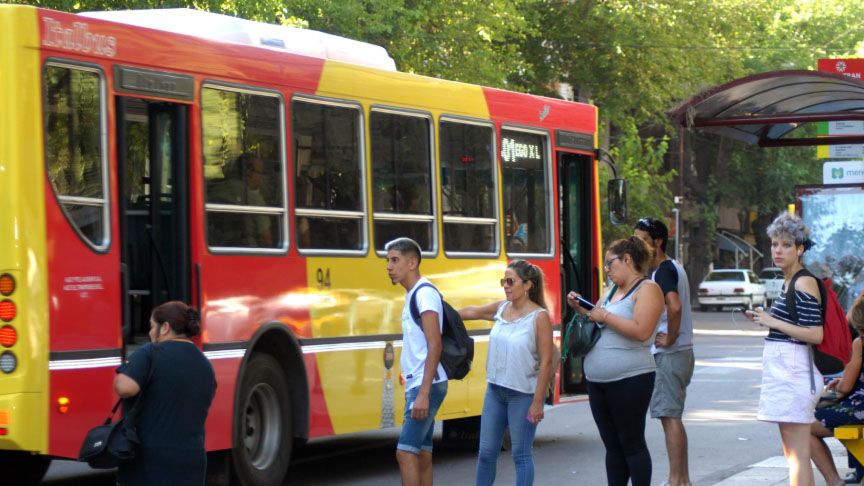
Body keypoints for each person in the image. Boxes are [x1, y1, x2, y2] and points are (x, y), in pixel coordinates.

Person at [567, 237, 664, 486]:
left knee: (631, 443)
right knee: (612, 446)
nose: (607, 270)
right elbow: (597, 318)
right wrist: (582, 309)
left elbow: (642, 331)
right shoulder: (611, 291)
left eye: (610, 263)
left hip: (630, 379)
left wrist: (606, 316)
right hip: (598, 380)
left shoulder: (647, 289)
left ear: (627, 259)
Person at [457, 260, 555, 486]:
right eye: (503, 281)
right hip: (495, 391)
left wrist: (538, 402)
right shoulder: (502, 308)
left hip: (523, 395)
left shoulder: (539, 317)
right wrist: (440, 312)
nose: (506, 286)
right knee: (486, 452)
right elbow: (473, 311)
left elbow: (547, 361)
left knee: (520, 455)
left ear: (527, 285)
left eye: (510, 281)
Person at [744, 212, 824, 486]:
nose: (778, 250)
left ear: (800, 249)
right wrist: (766, 320)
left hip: (795, 374)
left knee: (798, 454)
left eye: (786, 245)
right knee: (792, 453)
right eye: (775, 244)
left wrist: (771, 320)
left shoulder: (803, 281)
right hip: (785, 373)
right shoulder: (789, 281)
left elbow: (815, 333)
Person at [114, 301, 217, 486]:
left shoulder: (151, 352)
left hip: (150, 462)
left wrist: (124, 371)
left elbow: (125, 387)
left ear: (165, 327)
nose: (150, 333)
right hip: (192, 461)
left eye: (152, 326)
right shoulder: (205, 364)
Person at [634, 218, 695, 486]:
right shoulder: (671, 267)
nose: (637, 245)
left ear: (658, 242)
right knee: (672, 417)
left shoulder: (663, 271)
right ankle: (682, 480)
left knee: (670, 418)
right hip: (680, 353)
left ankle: (676, 481)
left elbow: (675, 306)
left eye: (643, 240)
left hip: (671, 354)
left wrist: (669, 337)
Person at [385, 237, 449, 486]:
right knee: (422, 454)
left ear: (412, 263)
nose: (389, 266)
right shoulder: (415, 294)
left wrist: (423, 393)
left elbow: (435, 344)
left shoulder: (424, 294)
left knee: (405, 452)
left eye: (395, 260)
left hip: (427, 385)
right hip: (423, 384)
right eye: (388, 261)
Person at [810, 292, 864, 486]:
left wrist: (839, 383)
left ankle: (833, 480)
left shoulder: (860, 343)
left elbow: (845, 387)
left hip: (861, 409)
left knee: (804, 427)